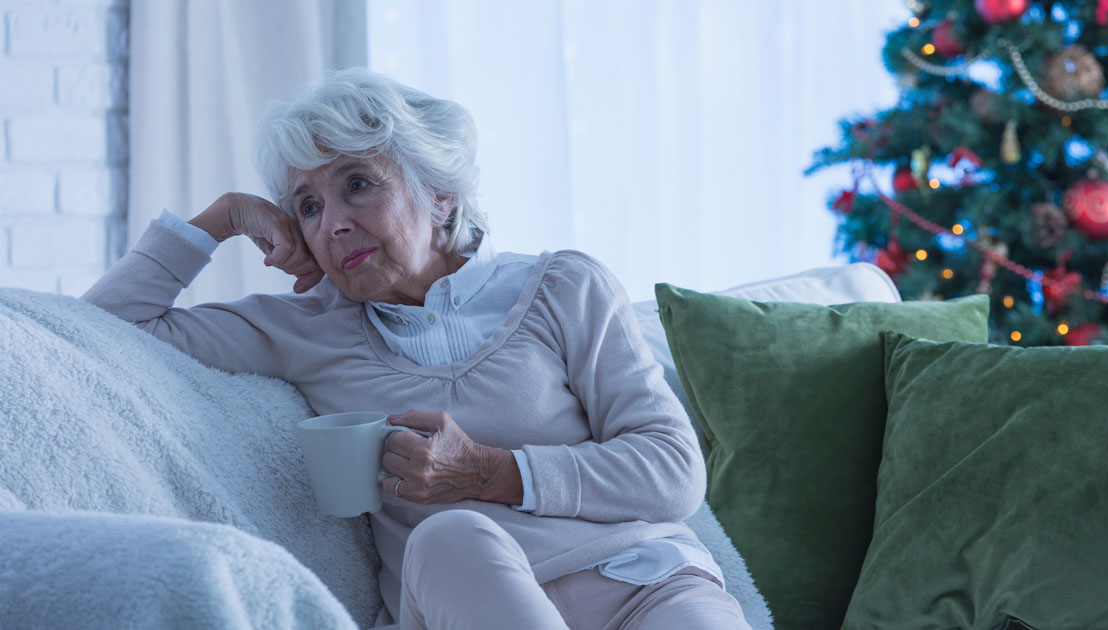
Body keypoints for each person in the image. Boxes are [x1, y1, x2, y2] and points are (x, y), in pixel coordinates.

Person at [84, 67, 750, 630]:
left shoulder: (564, 288)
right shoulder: (307, 326)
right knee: (449, 533)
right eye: (308, 206)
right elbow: (106, 331)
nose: (334, 221)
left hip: (645, 585)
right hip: (471, 600)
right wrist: (223, 217)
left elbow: (672, 471)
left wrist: (492, 469)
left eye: (358, 183)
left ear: (440, 193)